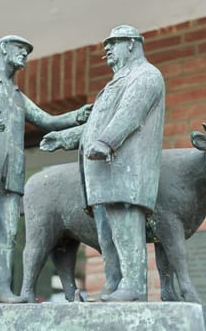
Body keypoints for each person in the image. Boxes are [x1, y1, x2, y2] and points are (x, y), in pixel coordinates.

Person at [0, 34, 91, 305]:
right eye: (20, 49)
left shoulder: (18, 96)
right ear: (3, 49)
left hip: (10, 175)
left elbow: (47, 120)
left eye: (27, 52)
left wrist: (77, 116)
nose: (24, 55)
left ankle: (2, 290)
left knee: (9, 235)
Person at [41, 25, 165, 301]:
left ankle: (133, 286)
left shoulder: (146, 75)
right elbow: (95, 126)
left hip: (125, 172)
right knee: (107, 238)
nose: (107, 50)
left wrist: (106, 143)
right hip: (102, 175)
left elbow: (130, 114)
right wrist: (64, 137)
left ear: (132, 44)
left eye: (113, 43)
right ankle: (113, 284)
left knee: (124, 229)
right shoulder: (116, 82)